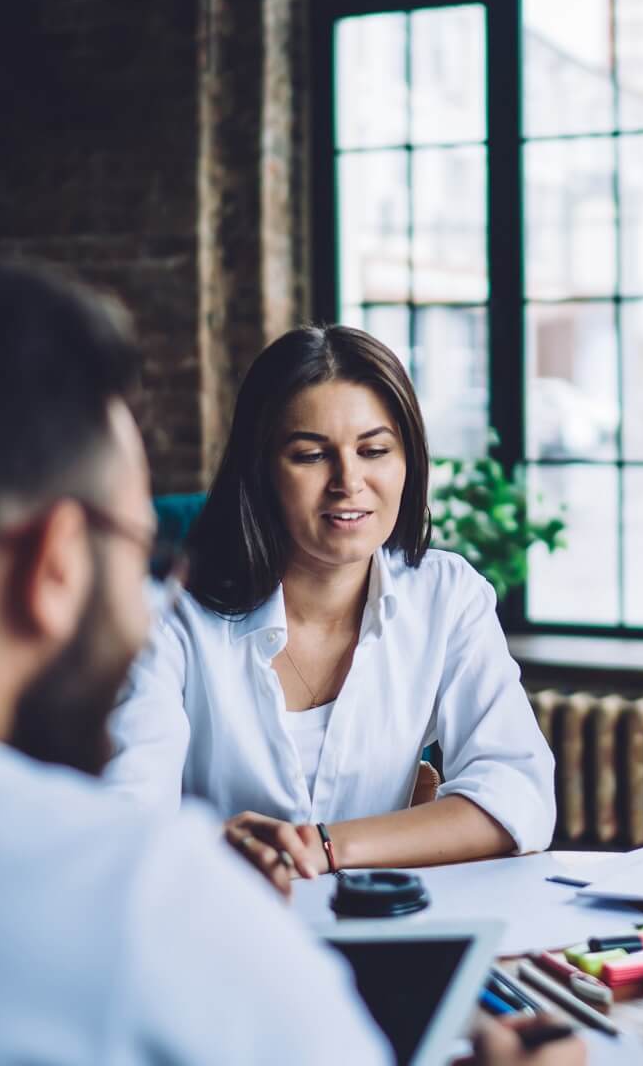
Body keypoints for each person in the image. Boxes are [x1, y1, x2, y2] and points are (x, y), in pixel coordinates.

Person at [0, 254, 576, 1066]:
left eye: (375, 450)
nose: (150, 596)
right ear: (55, 566)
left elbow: (516, 793)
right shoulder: (133, 902)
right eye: (136, 546)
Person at [106, 325, 556, 891]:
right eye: (312, 455)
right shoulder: (170, 617)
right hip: (213, 934)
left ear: (408, 461)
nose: (349, 482)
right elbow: (126, 820)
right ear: (261, 470)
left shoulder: (446, 596)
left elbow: (520, 794)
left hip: (386, 935)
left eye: (374, 451)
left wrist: (324, 846)